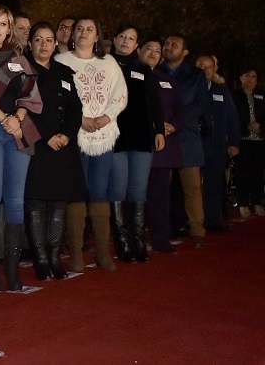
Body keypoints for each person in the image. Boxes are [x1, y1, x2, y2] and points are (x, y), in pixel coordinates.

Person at [0, 4, 42, 292]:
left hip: (17, 133)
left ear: (10, 29)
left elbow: (31, 96)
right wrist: (5, 119)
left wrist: (18, 119)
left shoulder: (20, 59)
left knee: (15, 201)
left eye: (3, 24)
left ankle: (13, 274)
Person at [55, 17, 128, 271]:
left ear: (97, 36)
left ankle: (102, 253)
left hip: (104, 135)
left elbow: (120, 95)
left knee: (100, 192)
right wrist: (81, 119)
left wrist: (105, 117)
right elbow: (58, 98)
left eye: (89, 29)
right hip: (75, 136)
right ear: (72, 34)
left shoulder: (109, 63)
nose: (84, 33)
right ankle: (75, 254)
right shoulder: (60, 62)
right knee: (76, 193)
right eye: (79, 29)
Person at [23, 22, 85, 280]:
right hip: (37, 144)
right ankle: (39, 256)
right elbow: (21, 108)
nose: (44, 45)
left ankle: (54, 255)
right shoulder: (23, 70)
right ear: (30, 43)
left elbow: (75, 109)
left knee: (59, 203)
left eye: (49, 40)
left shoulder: (63, 71)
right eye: (39, 40)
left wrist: (67, 135)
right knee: (37, 202)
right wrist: (46, 137)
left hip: (62, 145)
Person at [108, 24, 165, 263]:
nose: (126, 41)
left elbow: (155, 102)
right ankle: (122, 242)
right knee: (119, 188)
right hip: (115, 136)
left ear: (136, 45)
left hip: (142, 137)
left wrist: (159, 130)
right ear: (114, 38)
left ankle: (138, 239)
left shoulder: (143, 69)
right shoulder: (104, 64)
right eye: (122, 36)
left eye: (131, 38)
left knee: (138, 189)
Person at [158, 34, 209, 247]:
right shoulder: (156, 71)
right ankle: (163, 229)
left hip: (187, 137)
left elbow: (200, 104)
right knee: (161, 188)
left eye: (174, 45)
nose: (169, 47)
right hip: (163, 136)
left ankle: (197, 231)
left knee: (192, 189)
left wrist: (176, 123)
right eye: (167, 44)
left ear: (185, 52)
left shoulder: (196, 75)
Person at [140, 37, 184, 254]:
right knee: (133, 194)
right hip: (135, 144)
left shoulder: (167, 81)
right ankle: (134, 238)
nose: (153, 54)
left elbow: (180, 110)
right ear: (139, 50)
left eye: (158, 51)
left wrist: (173, 126)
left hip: (161, 148)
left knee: (160, 194)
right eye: (149, 49)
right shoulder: (126, 74)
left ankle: (160, 238)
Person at [196, 55, 241, 231]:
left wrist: (234, 142)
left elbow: (232, 117)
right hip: (193, 145)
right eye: (201, 66)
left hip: (216, 147)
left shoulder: (221, 91)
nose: (205, 70)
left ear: (214, 69)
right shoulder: (188, 89)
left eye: (209, 67)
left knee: (214, 185)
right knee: (190, 187)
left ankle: (212, 221)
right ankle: (187, 222)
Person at [231, 66, 265, 217]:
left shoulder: (263, 96)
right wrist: (247, 125)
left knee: (258, 172)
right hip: (242, 140)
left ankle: (258, 202)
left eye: (253, 76)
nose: (250, 79)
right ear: (241, 78)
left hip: (260, 140)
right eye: (247, 75)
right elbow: (232, 117)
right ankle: (243, 202)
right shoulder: (234, 96)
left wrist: (261, 127)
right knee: (242, 173)